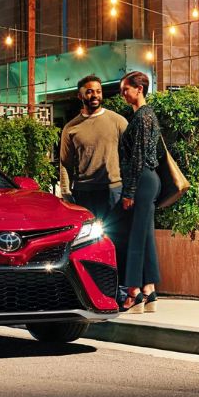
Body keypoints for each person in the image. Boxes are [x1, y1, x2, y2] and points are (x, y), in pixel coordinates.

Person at [59, 74, 129, 283]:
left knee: (117, 241)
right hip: (83, 193)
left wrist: (130, 189)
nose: (95, 95)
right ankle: (93, 286)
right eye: (89, 91)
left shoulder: (117, 121)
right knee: (86, 244)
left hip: (113, 190)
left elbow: (130, 156)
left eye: (98, 91)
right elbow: (65, 163)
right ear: (80, 95)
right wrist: (66, 192)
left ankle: (120, 288)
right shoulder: (71, 128)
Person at [118, 71, 161, 313]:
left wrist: (129, 191)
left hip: (142, 179)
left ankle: (133, 292)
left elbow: (137, 157)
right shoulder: (143, 116)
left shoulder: (143, 117)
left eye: (127, 89)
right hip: (145, 179)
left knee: (135, 236)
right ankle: (149, 289)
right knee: (144, 236)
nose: (123, 94)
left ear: (139, 89)